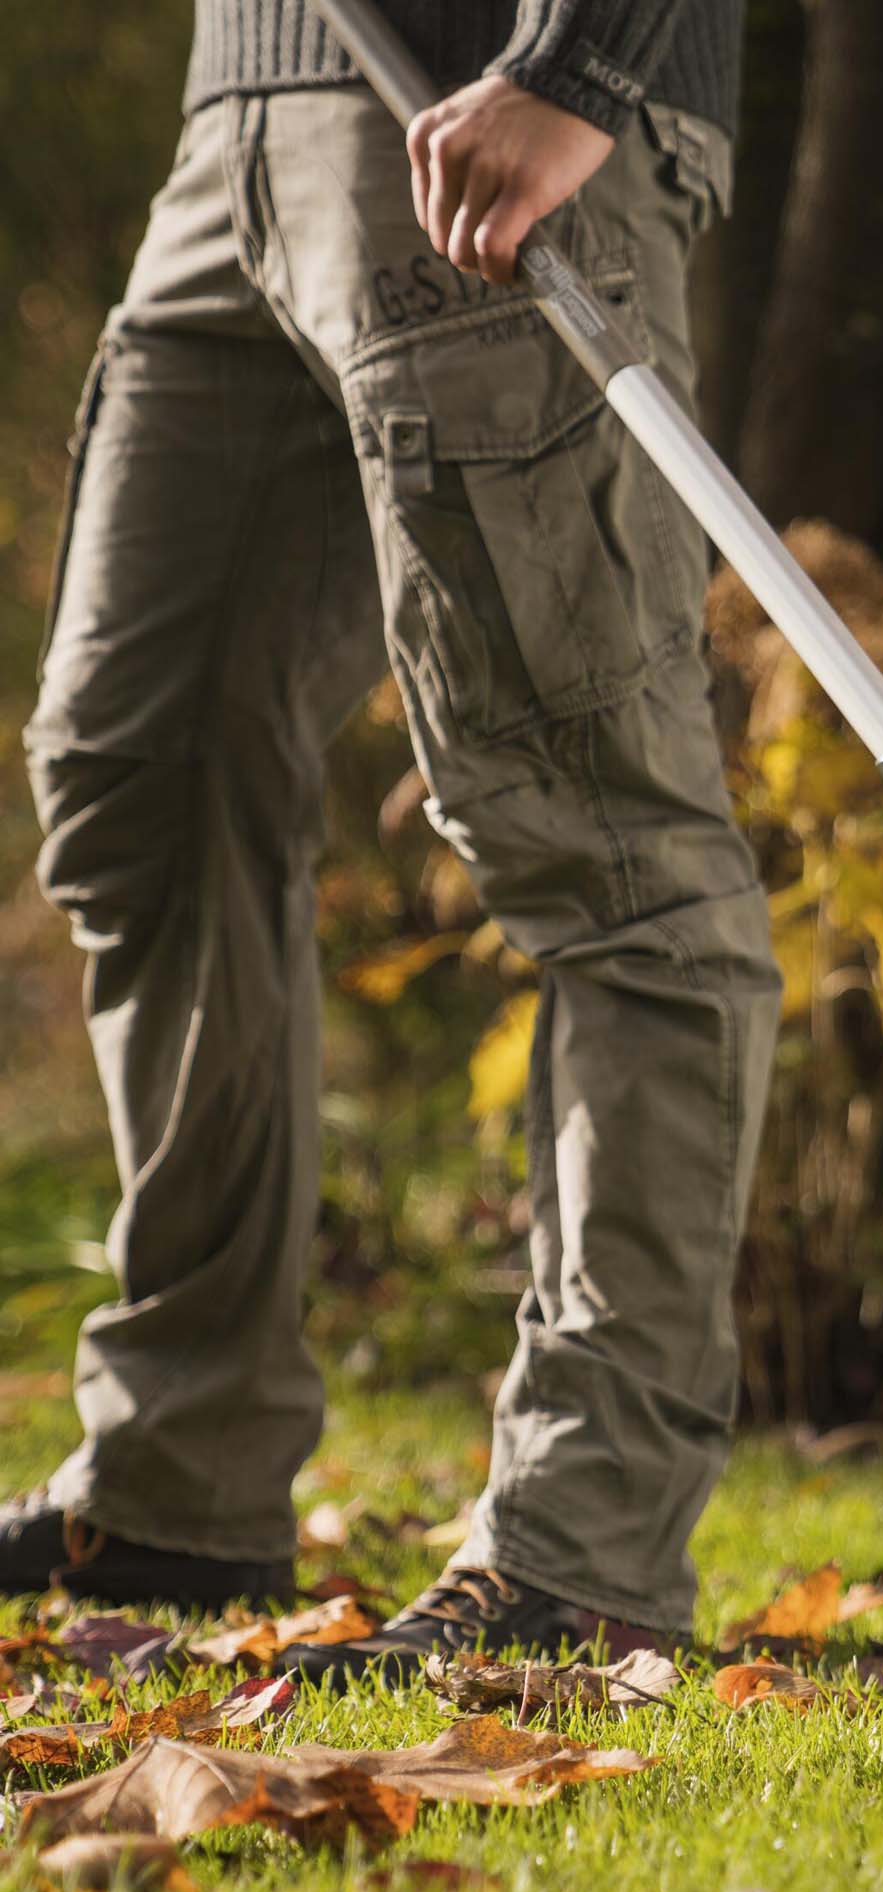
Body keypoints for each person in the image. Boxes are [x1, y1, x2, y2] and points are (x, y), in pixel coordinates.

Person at [0, 0, 779, 1683]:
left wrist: (585, 60)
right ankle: (178, 1471)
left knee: (593, 830)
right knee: (142, 768)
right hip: (243, 113)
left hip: (492, 94)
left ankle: (581, 1541)